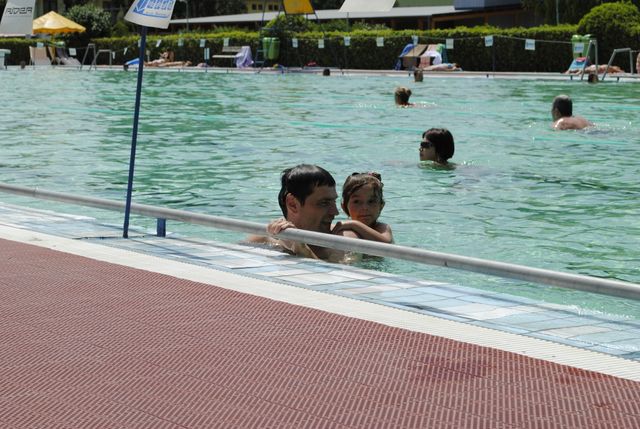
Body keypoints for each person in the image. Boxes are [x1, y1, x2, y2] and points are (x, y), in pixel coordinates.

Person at [251, 164, 341, 261]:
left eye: (334, 202)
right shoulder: (262, 242)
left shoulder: (341, 240)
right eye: (324, 203)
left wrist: (301, 248)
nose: (335, 212)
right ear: (293, 204)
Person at [332, 172, 393, 244]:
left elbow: (386, 244)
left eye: (371, 201)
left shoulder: (381, 228)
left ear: (381, 206)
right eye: (356, 201)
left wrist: (355, 225)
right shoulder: (343, 228)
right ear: (344, 207)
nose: (365, 208)